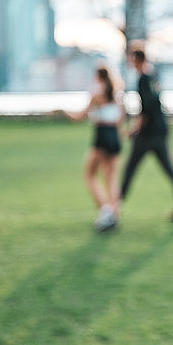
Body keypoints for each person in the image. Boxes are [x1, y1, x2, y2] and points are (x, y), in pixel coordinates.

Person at [118, 44, 173, 220]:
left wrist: (132, 130)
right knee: (168, 168)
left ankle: (114, 207)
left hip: (147, 134)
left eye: (131, 57)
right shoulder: (153, 75)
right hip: (160, 130)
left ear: (137, 58)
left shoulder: (143, 79)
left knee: (130, 169)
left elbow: (146, 109)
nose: (129, 61)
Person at [58, 66, 125, 232]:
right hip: (115, 137)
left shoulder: (96, 96)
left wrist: (62, 111)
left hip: (102, 135)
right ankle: (114, 213)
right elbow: (120, 119)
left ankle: (106, 211)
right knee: (111, 178)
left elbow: (79, 117)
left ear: (98, 77)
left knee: (89, 174)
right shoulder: (117, 97)